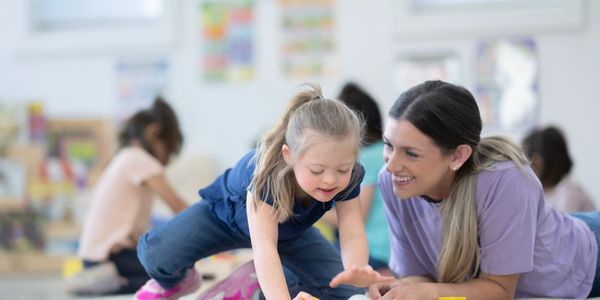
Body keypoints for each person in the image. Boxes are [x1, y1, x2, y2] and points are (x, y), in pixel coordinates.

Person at [135, 84, 393, 300]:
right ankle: (186, 281)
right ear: (288, 155)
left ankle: (256, 284)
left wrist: (356, 271)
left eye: (342, 169)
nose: (330, 180)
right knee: (155, 254)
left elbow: (352, 232)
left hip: (290, 232)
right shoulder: (267, 174)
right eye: (317, 171)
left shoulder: (351, 176)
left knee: (347, 290)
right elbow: (264, 247)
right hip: (224, 218)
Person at [360, 80, 599, 299]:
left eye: (411, 153)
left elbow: (500, 291)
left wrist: (430, 293)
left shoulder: (505, 179)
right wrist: (411, 293)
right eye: (389, 145)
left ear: (458, 155)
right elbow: (418, 277)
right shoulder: (391, 183)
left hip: (583, 260)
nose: (391, 165)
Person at [74, 97, 189, 295]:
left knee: (168, 269)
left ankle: (116, 282)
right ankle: (118, 283)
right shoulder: (139, 158)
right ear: (154, 133)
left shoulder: (123, 157)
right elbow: (178, 206)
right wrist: (215, 225)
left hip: (93, 260)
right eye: (168, 150)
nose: (166, 160)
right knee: (177, 274)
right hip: (109, 260)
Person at [321, 82, 392, 275]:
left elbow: (356, 217)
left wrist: (307, 216)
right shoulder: (384, 152)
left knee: (307, 262)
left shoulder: (366, 158)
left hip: (374, 253)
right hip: (389, 251)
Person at [522, 126, 596, 212]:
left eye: (527, 162)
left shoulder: (570, 193)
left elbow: (560, 224)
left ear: (537, 162)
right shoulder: (548, 191)